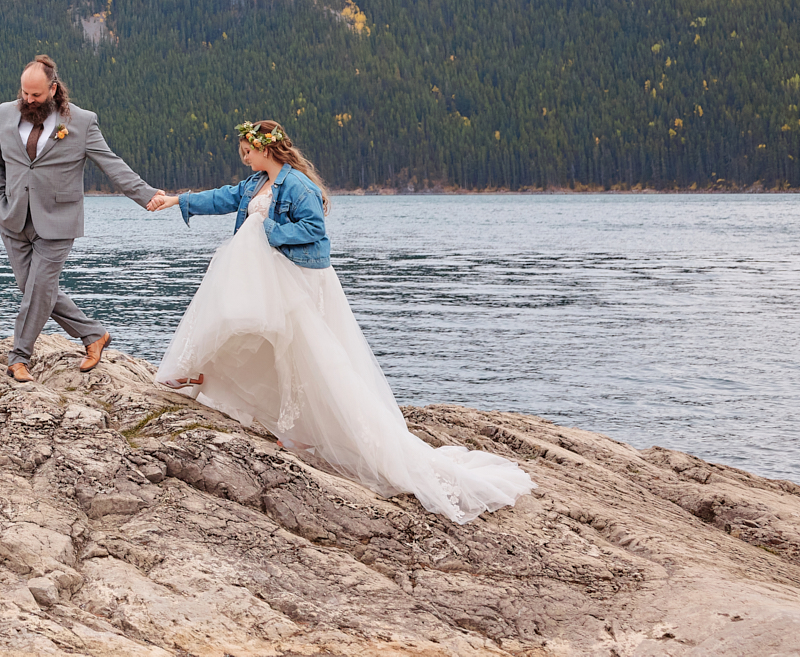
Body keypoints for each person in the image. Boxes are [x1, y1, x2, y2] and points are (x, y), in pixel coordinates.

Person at [150, 119, 533, 523]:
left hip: (296, 278)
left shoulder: (297, 185)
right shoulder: (254, 184)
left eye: (247, 149)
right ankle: (207, 376)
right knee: (256, 331)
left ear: (266, 149)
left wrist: (267, 229)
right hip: (273, 279)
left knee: (302, 352)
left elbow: (314, 229)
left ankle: (292, 428)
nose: (242, 156)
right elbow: (222, 198)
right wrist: (176, 201)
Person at [0, 54, 171, 382]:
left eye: (36, 95)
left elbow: (110, 163)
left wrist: (145, 194)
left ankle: (18, 358)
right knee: (32, 289)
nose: (28, 100)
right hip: (12, 218)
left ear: (54, 89)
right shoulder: (4, 113)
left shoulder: (81, 122)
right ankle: (93, 334)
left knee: (39, 288)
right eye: (25, 93)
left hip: (58, 220)